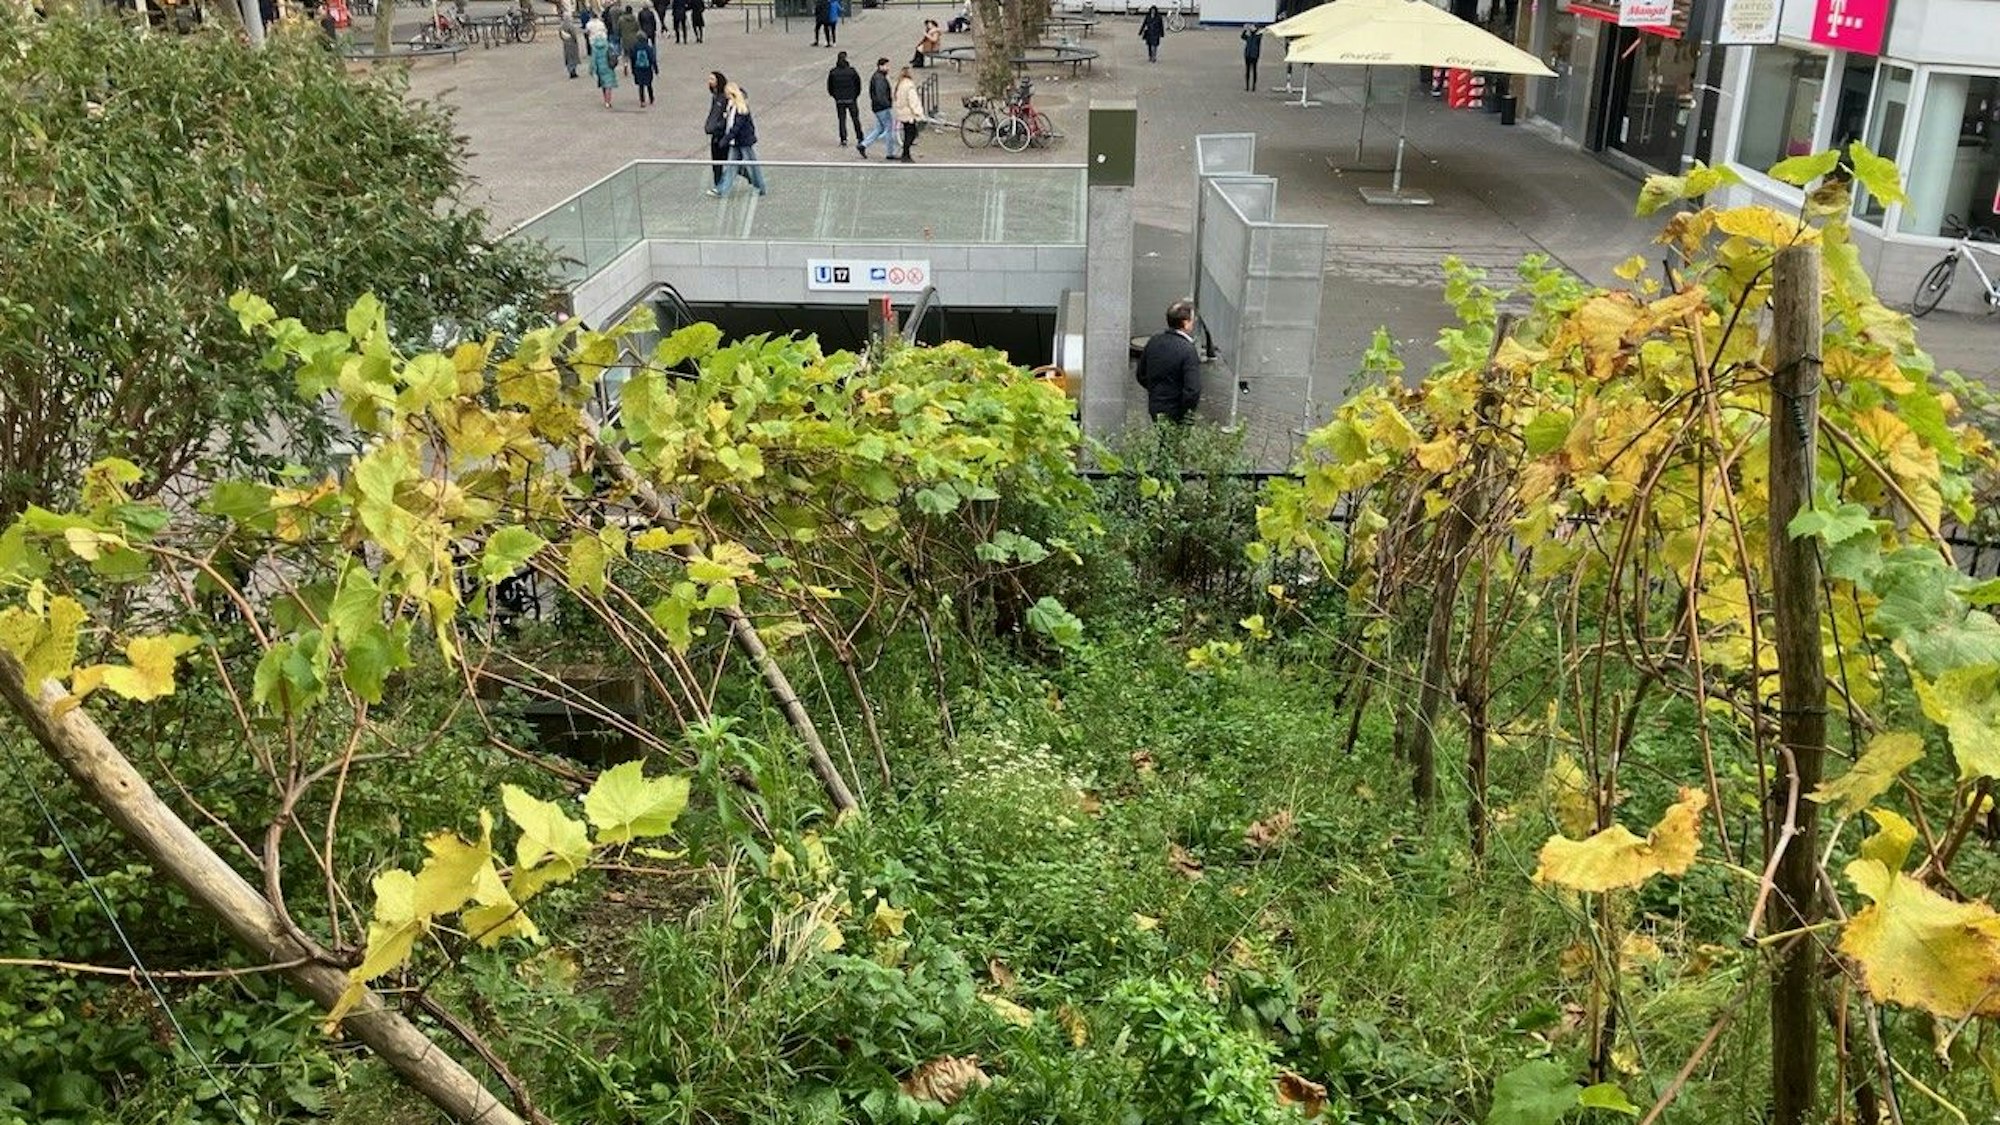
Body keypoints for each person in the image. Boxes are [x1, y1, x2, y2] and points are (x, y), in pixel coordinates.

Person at [1134, 301, 1201, 423]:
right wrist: (1186, 412)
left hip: (1156, 406)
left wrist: (1156, 391)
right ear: (1185, 323)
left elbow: (1141, 374)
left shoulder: (1154, 341)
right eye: (1192, 320)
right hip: (1177, 411)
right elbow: (1192, 389)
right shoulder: (1188, 350)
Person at [710, 84, 767, 197]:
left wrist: (725, 139)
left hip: (744, 142)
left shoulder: (741, 109)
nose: (726, 97)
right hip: (735, 142)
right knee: (732, 166)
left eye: (728, 95)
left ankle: (761, 187)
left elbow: (736, 127)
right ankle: (722, 189)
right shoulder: (731, 107)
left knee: (752, 166)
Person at [856, 57, 899, 159]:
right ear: (880, 66)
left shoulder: (878, 77)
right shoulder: (880, 79)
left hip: (877, 107)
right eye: (887, 66)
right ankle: (890, 153)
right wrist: (887, 104)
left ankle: (863, 145)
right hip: (882, 107)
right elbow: (880, 95)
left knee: (879, 129)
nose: (888, 68)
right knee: (889, 130)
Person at [827, 50, 864, 147]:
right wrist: (855, 95)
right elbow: (858, 84)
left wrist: (835, 96)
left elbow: (830, 87)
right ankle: (860, 137)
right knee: (855, 119)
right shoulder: (852, 71)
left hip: (839, 99)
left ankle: (843, 139)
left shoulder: (833, 72)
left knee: (842, 119)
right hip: (851, 98)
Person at [892, 65, 925, 162]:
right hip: (909, 114)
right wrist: (919, 113)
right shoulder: (909, 86)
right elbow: (913, 101)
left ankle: (905, 154)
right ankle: (905, 154)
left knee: (908, 133)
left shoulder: (900, 84)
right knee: (911, 134)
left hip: (902, 113)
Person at [704, 71, 731, 186]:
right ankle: (718, 186)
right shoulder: (715, 97)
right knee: (716, 163)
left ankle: (752, 178)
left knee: (727, 160)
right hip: (715, 134)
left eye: (712, 79)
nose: (709, 81)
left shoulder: (723, 98)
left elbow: (725, 116)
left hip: (722, 135)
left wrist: (716, 126)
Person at [589, 19, 619, 108]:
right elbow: (614, 54)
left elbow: (593, 59)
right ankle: (608, 101)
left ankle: (605, 99)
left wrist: (592, 69)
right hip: (608, 66)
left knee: (603, 84)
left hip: (600, 68)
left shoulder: (594, 48)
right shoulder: (608, 45)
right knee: (608, 85)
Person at [631, 32, 657, 105]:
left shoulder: (635, 47)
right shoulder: (648, 47)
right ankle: (651, 98)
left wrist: (633, 69)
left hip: (638, 68)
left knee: (641, 85)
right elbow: (652, 59)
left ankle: (642, 100)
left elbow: (633, 58)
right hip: (647, 68)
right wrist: (655, 69)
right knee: (649, 84)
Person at [1241, 24, 1262, 90]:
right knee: (1247, 70)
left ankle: (1253, 86)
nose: (1251, 28)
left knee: (1254, 70)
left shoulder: (1258, 35)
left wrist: (1254, 31)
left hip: (1254, 55)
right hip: (1248, 54)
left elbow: (1259, 35)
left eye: (1253, 26)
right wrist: (1245, 30)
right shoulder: (1249, 36)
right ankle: (1247, 86)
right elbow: (1242, 36)